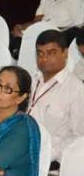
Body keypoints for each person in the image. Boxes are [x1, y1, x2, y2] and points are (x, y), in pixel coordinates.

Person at [28, 30, 84, 163]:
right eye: (40, 53)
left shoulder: (77, 90)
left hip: (50, 162)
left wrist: (48, 154)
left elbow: (79, 138)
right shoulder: (30, 81)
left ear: (65, 53)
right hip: (20, 152)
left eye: (51, 53)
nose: (44, 59)